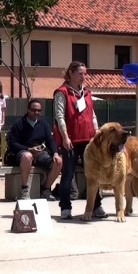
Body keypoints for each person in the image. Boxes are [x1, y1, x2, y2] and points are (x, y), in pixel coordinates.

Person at [52, 61, 107, 220]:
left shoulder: (87, 93)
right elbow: (59, 116)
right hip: (71, 140)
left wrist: (96, 132)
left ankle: (96, 206)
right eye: (80, 73)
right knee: (68, 174)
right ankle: (65, 208)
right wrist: (65, 137)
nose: (84, 77)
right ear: (71, 73)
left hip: (88, 140)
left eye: (85, 73)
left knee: (93, 174)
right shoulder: (61, 93)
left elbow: (92, 115)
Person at [7, 99, 62, 201]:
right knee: (27, 156)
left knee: (59, 161)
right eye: (33, 110)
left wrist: (55, 153)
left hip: (40, 153)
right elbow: (12, 143)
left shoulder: (43, 124)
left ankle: (45, 189)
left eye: (39, 110)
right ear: (28, 110)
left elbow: (50, 140)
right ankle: (24, 190)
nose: (36, 113)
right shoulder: (19, 123)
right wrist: (28, 149)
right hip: (23, 152)